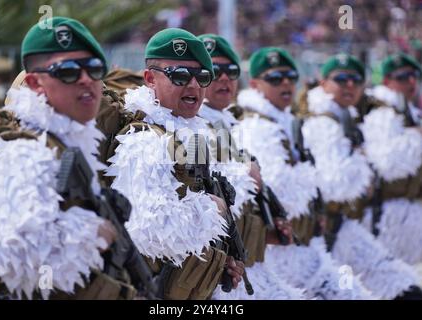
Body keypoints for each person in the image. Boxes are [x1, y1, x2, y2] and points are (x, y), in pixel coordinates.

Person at [0, 16, 137, 300]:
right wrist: (95, 232)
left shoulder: (65, 142)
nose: (86, 79)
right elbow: (15, 252)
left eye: (95, 69)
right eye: (69, 71)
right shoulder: (26, 147)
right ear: (36, 83)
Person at [100, 28, 244, 300]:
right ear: (149, 79)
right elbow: (149, 231)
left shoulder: (189, 134)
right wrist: (215, 209)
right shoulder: (144, 140)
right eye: (179, 75)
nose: (192, 85)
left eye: (202, 77)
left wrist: (217, 262)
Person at [230, 47, 373, 299]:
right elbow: (279, 189)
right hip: (279, 254)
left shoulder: (285, 120)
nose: (285, 83)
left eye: (290, 77)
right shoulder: (256, 126)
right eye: (275, 78)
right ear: (254, 84)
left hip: (307, 247)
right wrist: (311, 178)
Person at [300, 53, 422, 299]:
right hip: (317, 233)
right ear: (323, 83)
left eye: (355, 80)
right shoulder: (321, 121)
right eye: (341, 79)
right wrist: (364, 165)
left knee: (401, 287)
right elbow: (336, 183)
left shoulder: (343, 116)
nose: (349, 85)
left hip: (341, 226)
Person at [196, 34, 305, 300]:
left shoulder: (228, 124)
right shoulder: (193, 129)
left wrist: (266, 230)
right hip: (212, 276)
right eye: (214, 71)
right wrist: (245, 174)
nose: (224, 78)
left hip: (250, 266)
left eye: (231, 71)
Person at [357, 53, 422, 270]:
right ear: (387, 81)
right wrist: (416, 137)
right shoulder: (382, 111)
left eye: (414, 75)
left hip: (408, 210)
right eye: (403, 77)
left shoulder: (408, 112)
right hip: (385, 212)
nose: (411, 82)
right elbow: (386, 163)